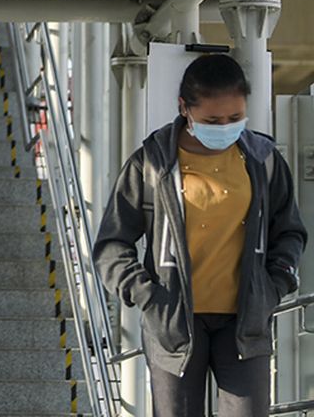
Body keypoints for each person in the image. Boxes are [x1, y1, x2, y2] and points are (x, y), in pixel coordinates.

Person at [94, 54, 307, 417]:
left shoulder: (264, 161)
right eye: (212, 120)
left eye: (235, 118)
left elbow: (289, 231)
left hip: (245, 323)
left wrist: (276, 284)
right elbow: (112, 244)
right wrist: (146, 295)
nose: (224, 128)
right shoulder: (151, 164)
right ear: (184, 108)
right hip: (173, 324)